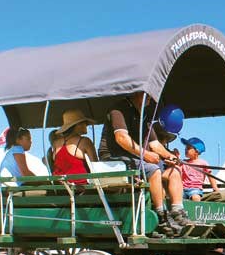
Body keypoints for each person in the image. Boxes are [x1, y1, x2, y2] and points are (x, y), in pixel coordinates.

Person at [98, 92, 190, 235]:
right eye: (147, 96)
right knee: (153, 170)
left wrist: (171, 157)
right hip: (114, 158)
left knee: (174, 171)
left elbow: (154, 144)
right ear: (136, 93)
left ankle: (178, 212)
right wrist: (145, 154)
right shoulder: (118, 108)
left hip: (134, 159)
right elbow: (121, 138)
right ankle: (161, 215)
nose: (150, 99)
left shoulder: (143, 115)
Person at [52, 109, 97, 184]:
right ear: (77, 125)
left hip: (61, 188)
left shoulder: (56, 143)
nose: (86, 125)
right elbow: (96, 166)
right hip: (81, 188)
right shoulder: (85, 141)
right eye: (84, 123)